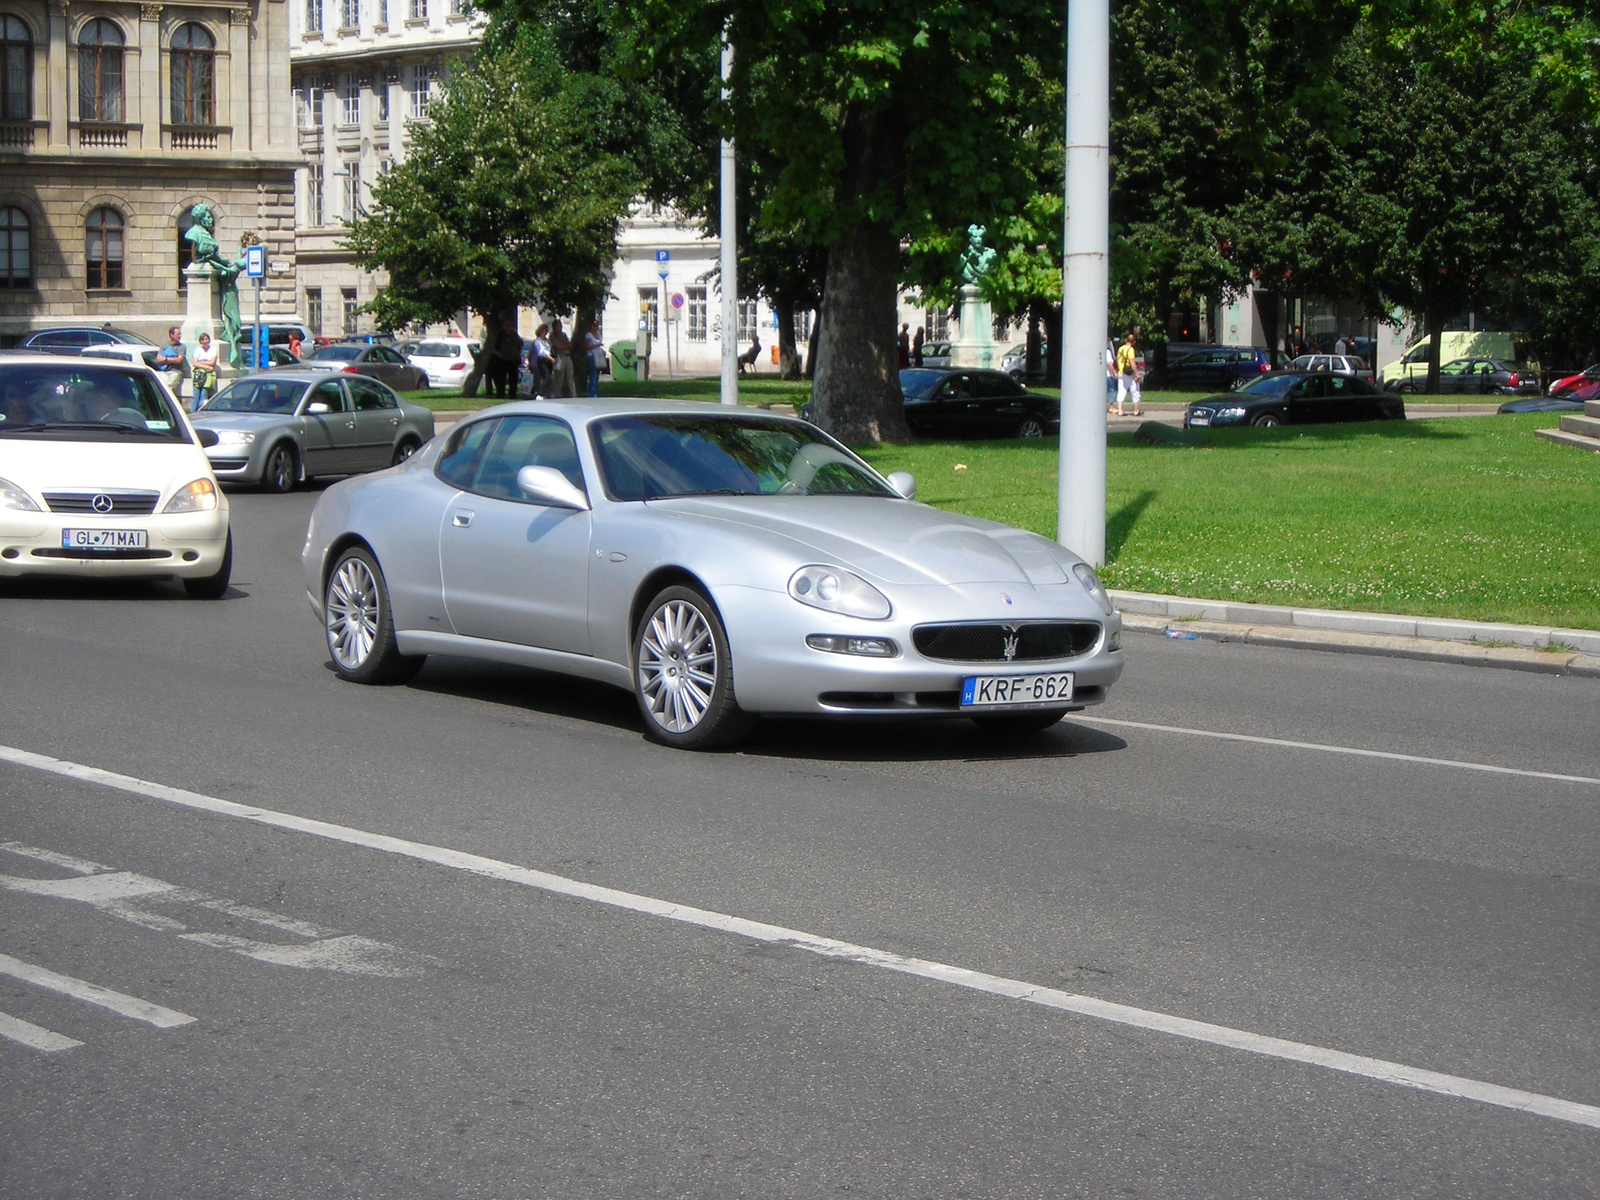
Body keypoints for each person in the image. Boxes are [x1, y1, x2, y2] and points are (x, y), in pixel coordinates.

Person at [487, 317, 522, 399]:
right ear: (504, 326)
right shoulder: (500, 335)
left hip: (513, 360)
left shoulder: (515, 334)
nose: (509, 326)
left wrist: (518, 353)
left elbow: (520, 344)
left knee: (513, 379)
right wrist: (498, 353)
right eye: (507, 325)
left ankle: (512, 395)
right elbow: (492, 346)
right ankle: (500, 394)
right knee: (501, 379)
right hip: (502, 360)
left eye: (510, 325)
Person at [154, 326, 188, 404]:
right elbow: (158, 360)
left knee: (169, 387)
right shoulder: (164, 346)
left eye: (180, 334)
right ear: (171, 335)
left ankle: (166, 405)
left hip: (175, 372)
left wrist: (165, 359)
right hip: (163, 371)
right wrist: (172, 359)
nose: (180, 336)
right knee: (161, 386)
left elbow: (179, 360)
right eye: (178, 334)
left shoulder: (182, 347)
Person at [1115, 332, 1142, 417]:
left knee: (1121, 391)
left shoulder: (1120, 349)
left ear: (1126, 340)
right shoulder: (1130, 350)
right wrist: (1137, 374)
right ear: (1133, 342)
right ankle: (1136, 410)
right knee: (1135, 390)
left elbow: (1118, 360)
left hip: (1121, 372)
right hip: (1129, 373)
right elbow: (1132, 363)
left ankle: (1120, 410)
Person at [191, 332, 219, 411]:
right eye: (203, 339)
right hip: (198, 375)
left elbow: (212, 362)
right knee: (195, 395)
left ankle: (201, 411)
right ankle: (192, 412)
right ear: (200, 341)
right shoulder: (198, 350)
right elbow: (194, 363)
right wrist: (206, 366)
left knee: (204, 394)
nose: (205, 341)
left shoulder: (213, 349)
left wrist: (200, 362)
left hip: (208, 376)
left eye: (206, 339)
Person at [549, 318, 576, 397]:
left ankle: (573, 395)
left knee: (570, 377)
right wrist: (565, 346)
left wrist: (565, 346)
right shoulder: (552, 336)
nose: (560, 328)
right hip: (559, 357)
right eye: (558, 326)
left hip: (567, 356)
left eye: (561, 326)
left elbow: (570, 345)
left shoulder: (563, 335)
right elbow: (558, 347)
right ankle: (557, 394)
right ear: (554, 327)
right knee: (559, 377)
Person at [529, 323, 554, 396]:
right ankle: (541, 393)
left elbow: (550, 350)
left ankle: (546, 393)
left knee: (548, 378)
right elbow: (541, 352)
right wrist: (550, 358)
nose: (546, 332)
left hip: (548, 361)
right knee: (543, 378)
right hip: (540, 361)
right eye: (544, 330)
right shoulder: (538, 341)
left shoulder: (547, 341)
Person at [582, 320, 604, 398]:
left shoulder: (598, 334)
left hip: (598, 355)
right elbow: (587, 347)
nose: (597, 327)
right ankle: (592, 393)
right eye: (595, 325)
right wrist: (597, 345)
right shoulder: (588, 335)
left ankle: (595, 391)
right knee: (593, 374)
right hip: (592, 356)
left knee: (597, 375)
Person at [1105, 338, 1117, 412]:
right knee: (1111, 390)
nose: (1109, 344)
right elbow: (1109, 364)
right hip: (1108, 375)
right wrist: (1114, 372)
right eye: (1108, 342)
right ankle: (1111, 407)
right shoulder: (1107, 352)